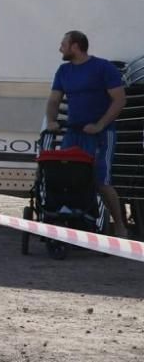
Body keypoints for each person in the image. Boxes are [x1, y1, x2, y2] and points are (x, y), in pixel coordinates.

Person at [45, 30, 127, 237]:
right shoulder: (63, 71)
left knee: (101, 180)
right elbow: (54, 100)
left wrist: (99, 125)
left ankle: (119, 226)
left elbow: (119, 100)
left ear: (75, 46)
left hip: (100, 134)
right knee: (66, 176)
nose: (60, 48)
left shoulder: (103, 68)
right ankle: (72, 220)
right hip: (73, 133)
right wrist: (52, 120)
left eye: (63, 44)